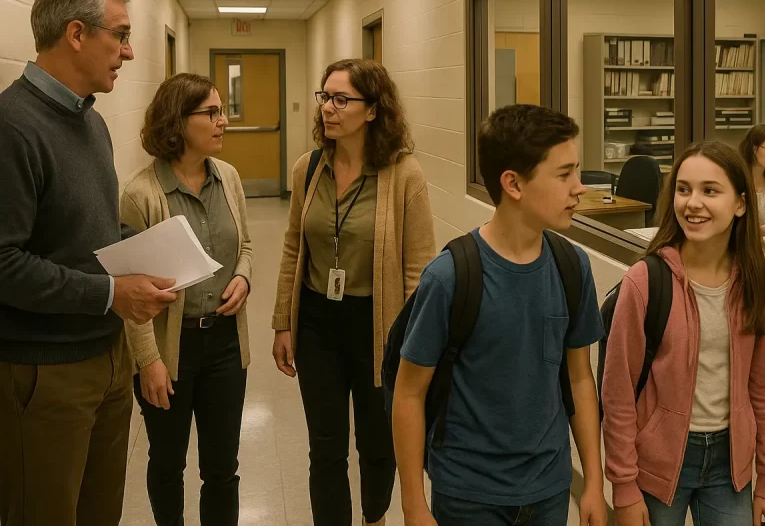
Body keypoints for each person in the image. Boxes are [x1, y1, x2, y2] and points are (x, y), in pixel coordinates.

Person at [0, 0, 178, 525]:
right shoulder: (13, 126)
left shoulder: (92, 122)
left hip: (107, 359)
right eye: (120, 36)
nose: (127, 52)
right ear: (76, 34)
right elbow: (5, 264)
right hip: (45, 372)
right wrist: (110, 294)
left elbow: (91, 236)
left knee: (101, 513)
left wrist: (149, 253)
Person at [392, 105, 607, 526]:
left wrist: (594, 485)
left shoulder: (571, 267)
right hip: (469, 493)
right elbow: (409, 393)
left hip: (549, 488)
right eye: (564, 175)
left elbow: (580, 378)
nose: (579, 188)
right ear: (513, 184)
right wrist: (414, 504)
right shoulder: (450, 277)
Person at [273, 59, 436, 526]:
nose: (328, 108)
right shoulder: (308, 169)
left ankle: (373, 518)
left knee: (376, 441)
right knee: (324, 444)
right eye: (325, 97)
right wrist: (283, 320)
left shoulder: (404, 174)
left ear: (372, 111)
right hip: (317, 322)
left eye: (342, 99)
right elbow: (292, 248)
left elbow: (418, 269)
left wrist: (411, 346)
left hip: (379, 324)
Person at [602, 141, 765, 526]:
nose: (692, 203)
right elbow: (617, 393)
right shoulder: (646, 280)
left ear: (740, 204)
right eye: (683, 189)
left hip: (729, 464)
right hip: (658, 462)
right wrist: (624, 486)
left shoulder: (760, 280)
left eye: (710, 190)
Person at [119, 74, 254, 525]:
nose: (224, 121)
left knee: (222, 468)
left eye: (222, 111)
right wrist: (148, 361)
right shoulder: (141, 196)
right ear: (178, 121)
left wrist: (243, 278)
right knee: (167, 464)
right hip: (169, 353)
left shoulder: (229, 178)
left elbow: (247, 247)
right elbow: (131, 290)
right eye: (211, 113)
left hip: (225, 345)